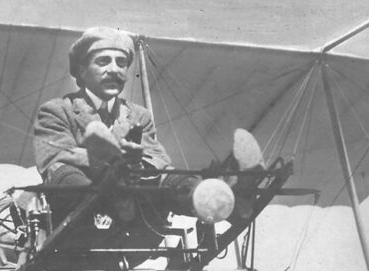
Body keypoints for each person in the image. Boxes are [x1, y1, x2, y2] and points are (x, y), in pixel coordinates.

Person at [33, 26, 264, 229]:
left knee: (165, 174)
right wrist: (108, 162)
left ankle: (222, 196)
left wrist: (135, 162)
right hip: (81, 204)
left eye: (121, 63)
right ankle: (111, 191)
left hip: (135, 203)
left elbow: (158, 158)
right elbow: (54, 156)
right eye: (103, 61)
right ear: (82, 70)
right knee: (62, 171)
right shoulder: (56, 110)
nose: (114, 69)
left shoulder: (138, 115)